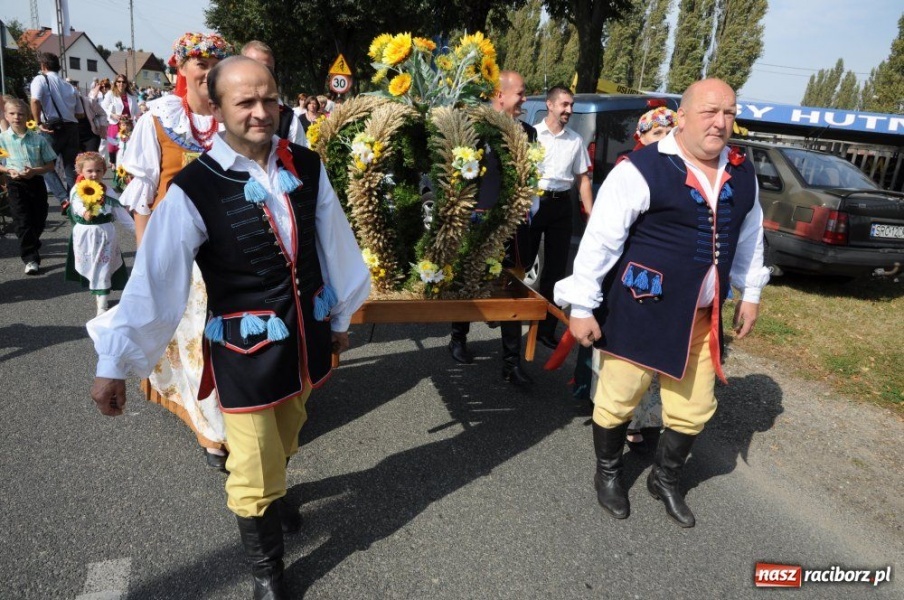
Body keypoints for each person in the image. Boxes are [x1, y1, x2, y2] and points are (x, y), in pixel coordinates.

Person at [89, 56, 370, 598]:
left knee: (289, 432)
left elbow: (335, 244)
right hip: (246, 350)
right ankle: (268, 573)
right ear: (216, 109)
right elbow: (155, 283)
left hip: (307, 338)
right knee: (251, 466)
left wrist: (339, 319)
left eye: (269, 99)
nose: (260, 112)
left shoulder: (308, 166)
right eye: (245, 102)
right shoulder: (195, 189)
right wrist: (115, 365)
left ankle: (276, 487)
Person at [554, 79, 769, 528]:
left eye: (729, 113)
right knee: (618, 398)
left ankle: (665, 480)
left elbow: (749, 237)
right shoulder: (642, 169)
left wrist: (750, 293)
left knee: (694, 408)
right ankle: (609, 473)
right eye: (710, 111)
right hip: (642, 308)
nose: (720, 122)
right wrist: (581, 305)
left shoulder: (741, 171)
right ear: (684, 116)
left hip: (702, 319)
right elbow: (601, 242)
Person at [117, 32, 233, 469]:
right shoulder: (158, 121)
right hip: (181, 256)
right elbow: (143, 199)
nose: (207, 71)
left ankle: (237, 417)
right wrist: (148, 262)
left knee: (230, 341)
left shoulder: (235, 118)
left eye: (215, 63)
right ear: (181, 70)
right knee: (195, 345)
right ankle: (212, 433)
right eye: (199, 64)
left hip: (233, 251)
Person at [448, 70, 537, 387]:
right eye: (521, 93)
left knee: (511, 287)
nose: (524, 99)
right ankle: (458, 337)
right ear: (501, 95)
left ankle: (510, 363)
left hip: (513, 226)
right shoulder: (474, 129)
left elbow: (531, 178)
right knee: (468, 281)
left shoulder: (528, 132)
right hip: (479, 221)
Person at [531, 86, 593, 350]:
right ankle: (509, 316)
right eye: (564, 105)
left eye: (571, 105)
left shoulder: (576, 141)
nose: (569, 110)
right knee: (521, 265)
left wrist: (591, 217)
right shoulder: (531, 135)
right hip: (533, 204)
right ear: (550, 104)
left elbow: (583, 181)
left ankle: (546, 329)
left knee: (556, 270)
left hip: (561, 207)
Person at [65, 151, 133, 315]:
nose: (94, 174)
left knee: (103, 266)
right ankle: (99, 295)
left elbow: (121, 214)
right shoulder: (78, 189)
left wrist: (139, 232)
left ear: (104, 171)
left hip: (105, 234)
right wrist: (83, 212)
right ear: (81, 172)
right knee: (92, 266)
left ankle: (102, 303)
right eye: (89, 171)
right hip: (85, 234)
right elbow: (76, 204)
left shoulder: (108, 192)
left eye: (98, 171)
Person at [0, 97, 57, 275]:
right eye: (12, 113)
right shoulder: (3, 138)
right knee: (22, 220)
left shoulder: (38, 139)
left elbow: (51, 165)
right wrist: (8, 170)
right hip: (15, 182)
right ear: (6, 116)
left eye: (20, 114)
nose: (16, 117)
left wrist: (34, 170)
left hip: (35, 180)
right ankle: (31, 258)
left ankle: (33, 241)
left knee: (39, 218)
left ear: (27, 116)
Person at [239, 40, 308, 147]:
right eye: (254, 67)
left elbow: (301, 159)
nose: (261, 74)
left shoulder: (288, 119)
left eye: (268, 69)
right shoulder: (223, 111)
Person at [101, 74, 139, 167]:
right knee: (114, 146)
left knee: (127, 147)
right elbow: (103, 107)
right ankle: (113, 163)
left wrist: (134, 117)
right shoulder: (111, 94)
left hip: (128, 126)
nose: (121, 84)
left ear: (126, 84)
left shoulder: (132, 96)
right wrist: (112, 115)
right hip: (115, 124)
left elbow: (136, 111)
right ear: (116, 83)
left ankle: (125, 166)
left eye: (123, 82)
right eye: (119, 81)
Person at [70, 80, 103, 153]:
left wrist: (102, 126)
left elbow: (102, 113)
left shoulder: (88, 101)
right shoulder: (65, 105)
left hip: (90, 136)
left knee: (91, 159)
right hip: (74, 138)